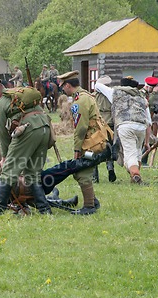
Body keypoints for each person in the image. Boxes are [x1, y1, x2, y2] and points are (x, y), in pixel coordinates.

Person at [0, 76, 52, 216]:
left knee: (8, 171)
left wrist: (6, 156)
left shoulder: (1, 103)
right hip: (45, 128)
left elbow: (1, 132)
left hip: (28, 130)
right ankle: (45, 210)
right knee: (33, 172)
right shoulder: (19, 95)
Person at [57, 70, 104, 215]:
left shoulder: (80, 101)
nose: (63, 89)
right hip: (94, 140)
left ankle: (89, 206)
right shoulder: (85, 96)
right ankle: (93, 201)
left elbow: (81, 127)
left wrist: (77, 150)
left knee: (82, 171)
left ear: (68, 85)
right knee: (81, 172)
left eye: (63, 86)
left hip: (89, 143)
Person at [94, 76, 152, 185]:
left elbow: (97, 85)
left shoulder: (114, 92)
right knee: (137, 152)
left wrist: (106, 80)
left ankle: (135, 175)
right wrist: (147, 142)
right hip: (140, 126)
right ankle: (134, 176)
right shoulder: (142, 97)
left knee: (130, 154)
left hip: (125, 125)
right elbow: (149, 122)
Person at [93, 75, 116, 183]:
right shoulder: (112, 95)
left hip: (99, 124)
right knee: (109, 148)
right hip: (110, 123)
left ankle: (94, 176)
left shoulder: (93, 96)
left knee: (95, 148)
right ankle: (110, 168)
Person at [140, 76, 158, 165]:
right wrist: (154, 94)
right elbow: (148, 104)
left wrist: (155, 109)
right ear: (148, 87)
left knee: (149, 141)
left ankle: (143, 160)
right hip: (141, 121)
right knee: (147, 141)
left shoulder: (148, 94)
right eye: (152, 88)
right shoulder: (141, 93)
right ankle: (142, 161)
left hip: (147, 121)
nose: (153, 91)